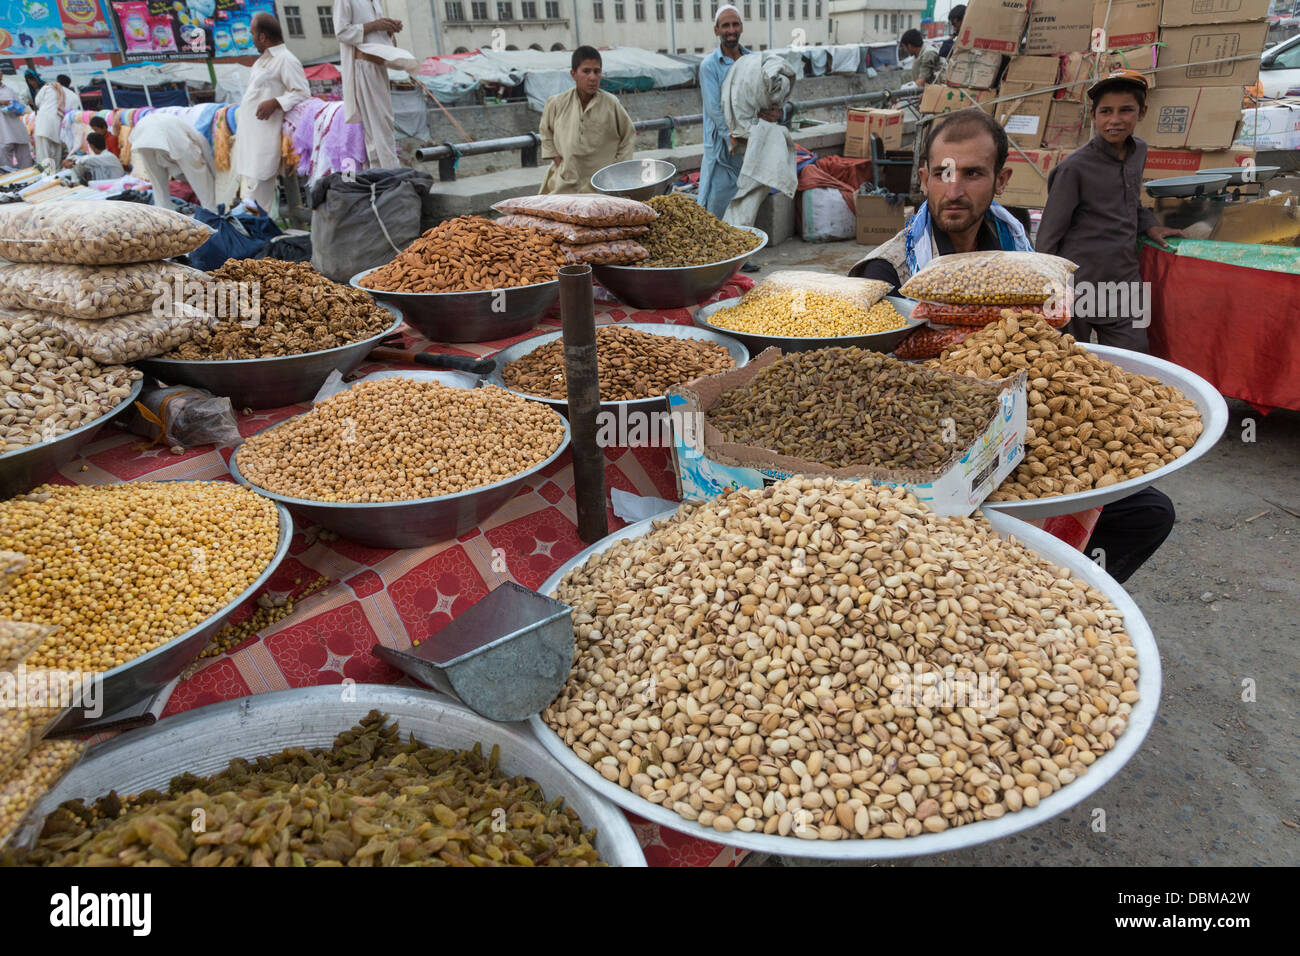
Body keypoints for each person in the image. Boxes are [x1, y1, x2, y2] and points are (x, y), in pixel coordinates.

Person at [849, 108, 1174, 584]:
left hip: (1035, 433)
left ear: (1001, 179)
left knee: (1148, 512)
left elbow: (1057, 345)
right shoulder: (886, 274)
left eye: (973, 174)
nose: (954, 189)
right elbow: (863, 395)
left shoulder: (1018, 244)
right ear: (924, 178)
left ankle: (1059, 592)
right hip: (936, 450)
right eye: (942, 173)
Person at [1036, 70, 1184, 352]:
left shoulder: (1139, 151)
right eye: (1106, 111)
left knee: (1135, 361)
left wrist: (1149, 224)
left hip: (1123, 281)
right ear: (1093, 115)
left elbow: (1130, 201)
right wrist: (1050, 290)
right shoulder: (1074, 168)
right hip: (1078, 286)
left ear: (1142, 112)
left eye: (1126, 110)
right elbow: (1048, 236)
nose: (1115, 120)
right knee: (1070, 365)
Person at [698, 6, 779, 220]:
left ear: (741, 27)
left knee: (745, 207)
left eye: (735, 24)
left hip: (751, 145)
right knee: (716, 206)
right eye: (725, 25)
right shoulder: (710, 66)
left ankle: (742, 251)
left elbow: (768, 96)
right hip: (723, 149)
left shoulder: (754, 61)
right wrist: (731, 137)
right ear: (716, 30)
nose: (731, 30)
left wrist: (776, 112)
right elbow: (715, 109)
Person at [234, 12, 309, 215]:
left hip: (266, 140)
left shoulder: (286, 60)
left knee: (259, 202)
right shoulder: (260, 62)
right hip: (250, 138)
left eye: (253, 34)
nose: (251, 39)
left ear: (263, 37)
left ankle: (260, 238)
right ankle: (254, 239)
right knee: (249, 198)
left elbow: (302, 92)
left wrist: (276, 102)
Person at [538, 46, 635, 195]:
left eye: (597, 71)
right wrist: (560, 164)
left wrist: (616, 169)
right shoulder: (557, 103)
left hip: (600, 185)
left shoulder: (611, 104)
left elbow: (628, 136)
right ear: (573, 74)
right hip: (565, 183)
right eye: (586, 71)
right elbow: (545, 133)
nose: (592, 77)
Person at [334, 0, 402, 169]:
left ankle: (380, 179)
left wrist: (388, 30)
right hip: (364, 67)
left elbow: (377, 36)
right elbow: (341, 32)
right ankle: (392, 177)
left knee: (380, 127)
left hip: (379, 66)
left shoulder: (375, 2)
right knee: (380, 126)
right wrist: (373, 26)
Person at [129, 110, 220, 210]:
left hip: (143, 133)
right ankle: (211, 211)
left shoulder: (188, 133)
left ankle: (164, 212)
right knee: (200, 181)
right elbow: (200, 174)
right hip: (168, 133)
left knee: (158, 183)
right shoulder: (195, 139)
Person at [33, 74, 75, 168]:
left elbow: (37, 102)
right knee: (56, 155)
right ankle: (55, 176)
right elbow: (71, 114)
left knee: (43, 155)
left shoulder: (48, 88)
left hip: (43, 123)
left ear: (57, 81)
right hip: (59, 127)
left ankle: (45, 177)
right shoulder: (73, 96)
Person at [0, 84, 31, 169]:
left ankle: (29, 179)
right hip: (3, 133)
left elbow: (20, 108)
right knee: (5, 166)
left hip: (17, 130)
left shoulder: (9, 90)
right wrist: (2, 102)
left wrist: (14, 107)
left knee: (25, 161)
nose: (1, 72)